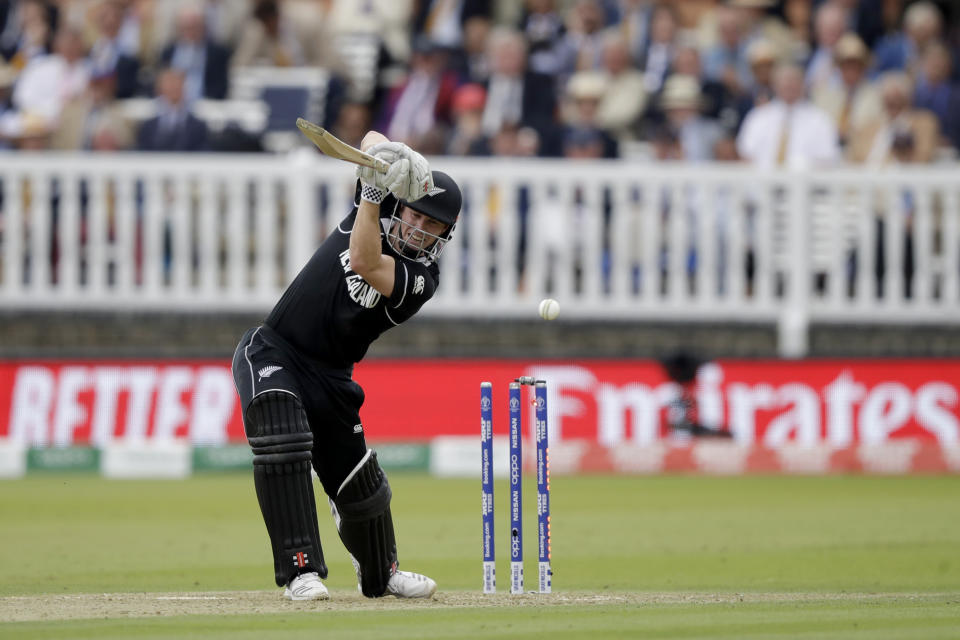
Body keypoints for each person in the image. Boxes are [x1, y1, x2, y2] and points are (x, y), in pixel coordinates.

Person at [231, 132, 461, 601]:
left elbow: (363, 259)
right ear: (402, 207)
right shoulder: (373, 205)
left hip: (333, 378)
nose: (417, 226)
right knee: (283, 437)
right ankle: (301, 572)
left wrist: (373, 193)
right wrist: (396, 156)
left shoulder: (422, 279)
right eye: (414, 213)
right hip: (275, 350)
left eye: (430, 224)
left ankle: (382, 571)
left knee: (362, 489)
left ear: (444, 235)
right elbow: (370, 141)